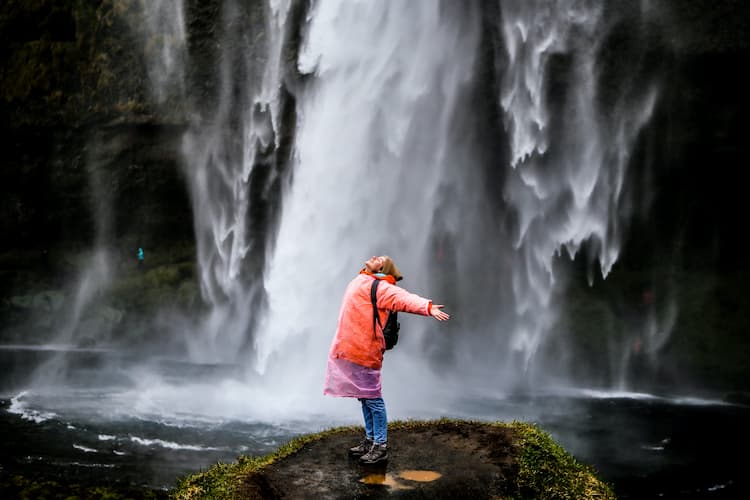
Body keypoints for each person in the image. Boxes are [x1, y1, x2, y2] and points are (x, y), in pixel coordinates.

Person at [323, 255, 450, 465]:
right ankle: (370, 439)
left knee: (373, 398)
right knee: (363, 397)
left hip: (367, 349)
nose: (374, 256)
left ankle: (380, 447)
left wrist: (427, 307)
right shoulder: (363, 280)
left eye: (380, 258)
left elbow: (405, 299)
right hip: (352, 348)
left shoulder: (381, 288)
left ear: (383, 269)